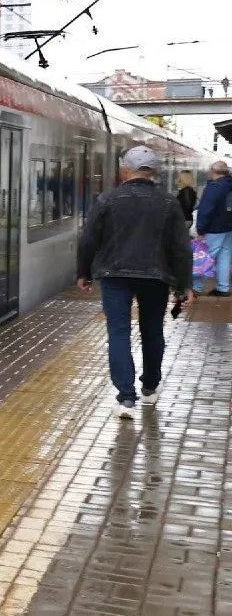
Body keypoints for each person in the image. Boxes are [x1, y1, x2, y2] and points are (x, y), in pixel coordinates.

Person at [77, 146, 192, 420]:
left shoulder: (108, 199)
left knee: (118, 332)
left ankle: (126, 398)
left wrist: (84, 273)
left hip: (114, 275)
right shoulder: (168, 202)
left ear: (125, 170)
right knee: (152, 331)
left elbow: (89, 239)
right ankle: (150, 387)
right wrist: (184, 285)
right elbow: (180, 248)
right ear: (154, 171)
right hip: (155, 276)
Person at [195, 160, 232, 297]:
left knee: (205, 257)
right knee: (224, 257)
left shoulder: (214, 187)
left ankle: (196, 287)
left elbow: (205, 209)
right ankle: (223, 287)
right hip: (229, 228)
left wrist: (200, 229)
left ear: (213, 171)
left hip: (214, 229)